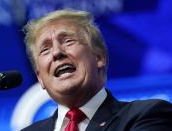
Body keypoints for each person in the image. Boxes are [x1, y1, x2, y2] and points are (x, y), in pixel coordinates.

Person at [21, 9, 172, 131]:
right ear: (40, 77)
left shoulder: (147, 114)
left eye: (68, 41)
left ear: (99, 57)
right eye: (45, 50)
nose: (56, 53)